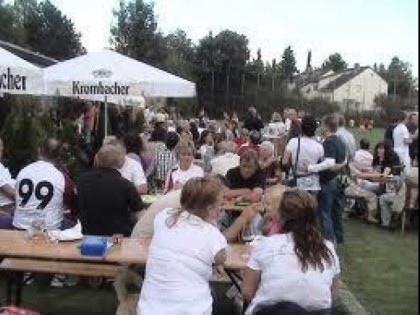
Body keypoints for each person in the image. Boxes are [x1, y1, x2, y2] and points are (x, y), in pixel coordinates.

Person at [137, 176, 228, 315]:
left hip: (149, 308)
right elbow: (221, 258)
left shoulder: (163, 217)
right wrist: (212, 223)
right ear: (210, 209)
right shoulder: (212, 234)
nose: (221, 209)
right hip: (191, 309)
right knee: (218, 300)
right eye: (220, 205)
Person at [241, 189, 341, 314]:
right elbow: (334, 293)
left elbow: (247, 291)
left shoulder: (265, 244)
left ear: (280, 214)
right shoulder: (328, 248)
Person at [77, 144, 144, 237]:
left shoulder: (82, 181)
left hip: (88, 235)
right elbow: (140, 214)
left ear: (97, 159)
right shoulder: (126, 185)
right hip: (119, 237)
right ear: (118, 163)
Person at [300, 115, 346, 244]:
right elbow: (344, 158)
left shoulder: (329, 142)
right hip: (335, 181)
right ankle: (337, 237)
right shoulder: (340, 141)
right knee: (334, 212)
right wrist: (342, 164)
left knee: (324, 214)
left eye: (321, 125)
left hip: (326, 182)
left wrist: (310, 168)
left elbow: (329, 163)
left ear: (326, 126)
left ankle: (329, 243)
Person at [13, 138, 76, 231]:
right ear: (59, 156)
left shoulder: (23, 171)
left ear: (39, 151)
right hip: (49, 230)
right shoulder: (61, 177)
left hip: (19, 226)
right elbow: (71, 203)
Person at [282, 115, 324, 193]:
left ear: (301, 127)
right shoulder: (319, 146)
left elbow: (284, 162)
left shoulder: (293, 142)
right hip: (313, 184)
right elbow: (321, 165)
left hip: (295, 182)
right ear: (315, 129)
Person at [0, 137, 15, 229]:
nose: (1, 148)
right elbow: (10, 192)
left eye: (1, 145)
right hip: (4, 213)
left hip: (10, 211)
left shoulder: (1, 166)